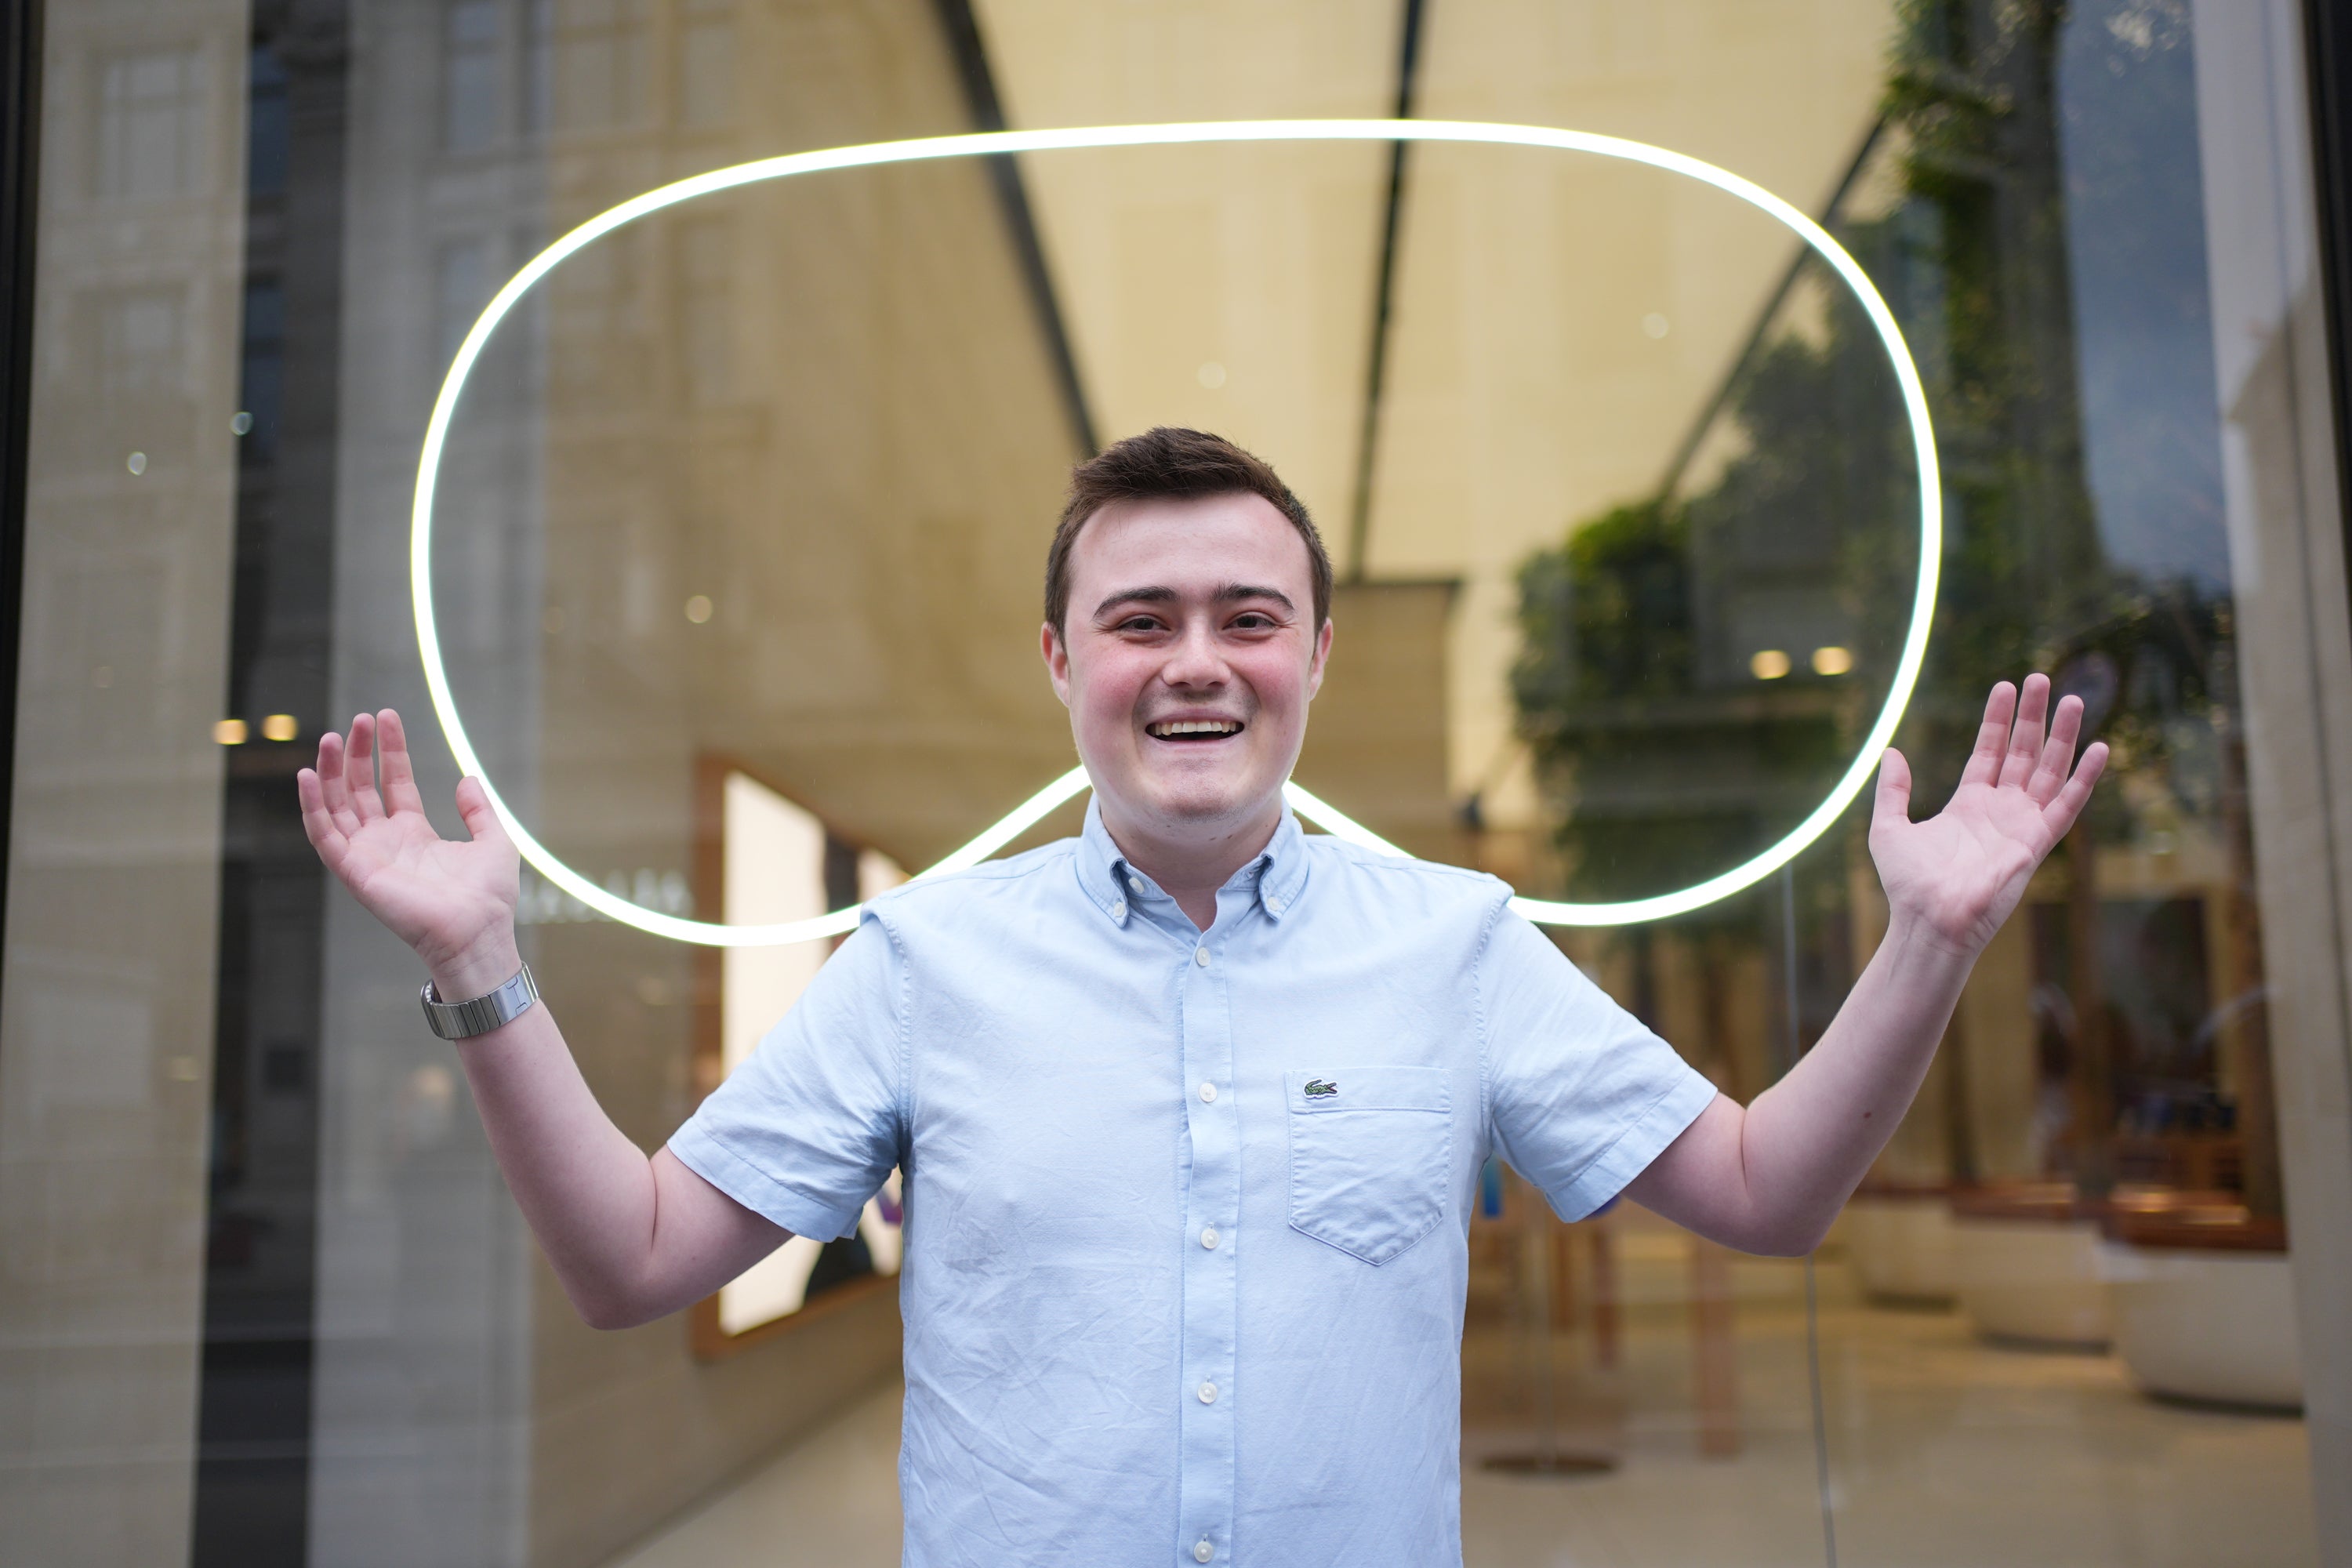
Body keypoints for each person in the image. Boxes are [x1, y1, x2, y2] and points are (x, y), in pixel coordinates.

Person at [299, 426, 2105, 1566]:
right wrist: (479, 966)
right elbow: (631, 1261)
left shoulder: (1458, 941)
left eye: (1249, 616)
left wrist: (1931, 936)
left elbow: (1763, 1193)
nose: (1196, 663)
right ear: (1061, 661)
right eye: (1140, 617)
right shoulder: (924, 963)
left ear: (1318, 653)